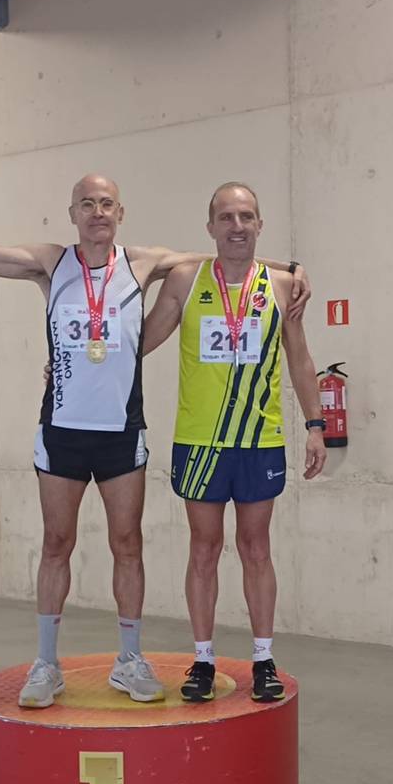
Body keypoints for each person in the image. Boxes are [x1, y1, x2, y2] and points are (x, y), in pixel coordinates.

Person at [0, 136, 312, 708]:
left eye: (106, 203)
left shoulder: (146, 263)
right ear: (73, 214)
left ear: (120, 213)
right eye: (87, 203)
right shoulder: (49, 262)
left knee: (127, 545)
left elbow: (225, 252)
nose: (97, 213)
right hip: (61, 429)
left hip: (122, 434)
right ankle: (45, 664)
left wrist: (293, 268)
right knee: (56, 542)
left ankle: (130, 661)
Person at [142, 182, 326, 703]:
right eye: (226, 217)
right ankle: (202, 662)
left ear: (260, 225)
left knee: (256, 548)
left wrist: (316, 426)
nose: (237, 226)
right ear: (210, 228)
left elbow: (301, 358)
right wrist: (87, 359)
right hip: (200, 441)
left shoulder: (284, 286)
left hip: (258, 439)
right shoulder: (185, 279)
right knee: (204, 549)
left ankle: (263, 658)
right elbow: (145, 339)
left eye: (246, 216)